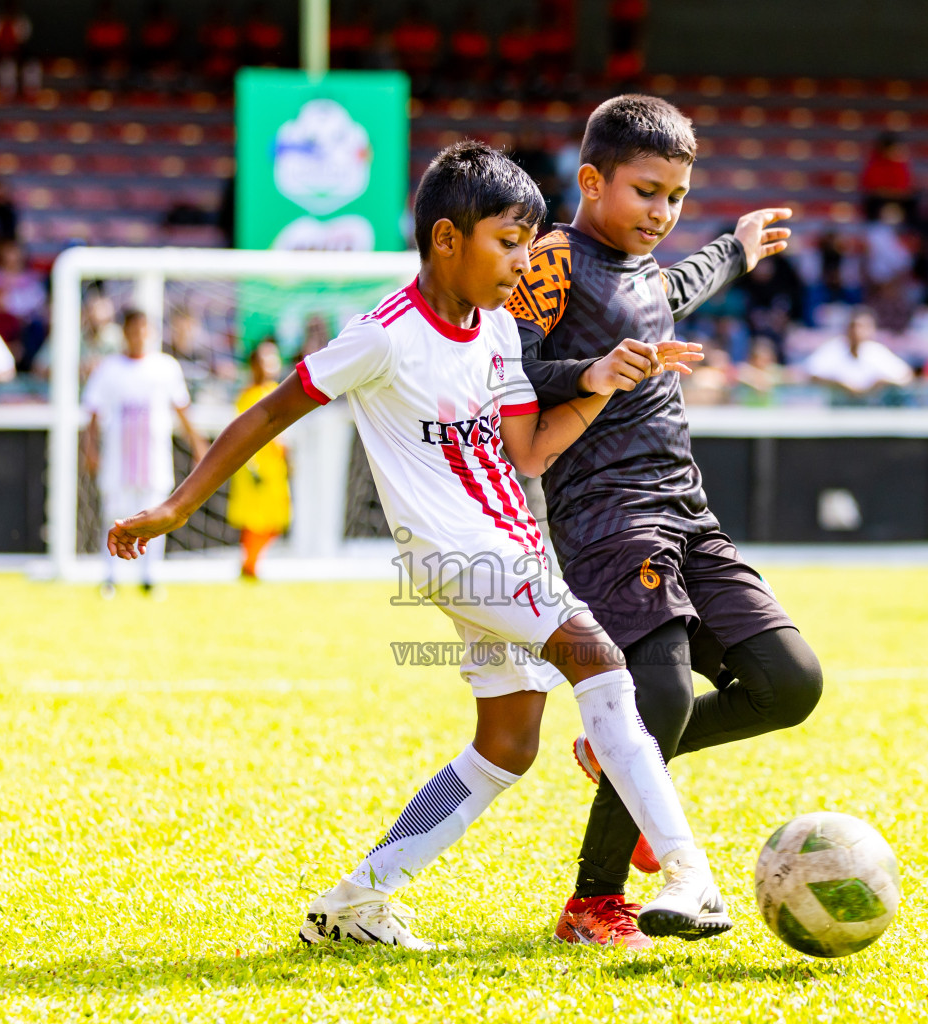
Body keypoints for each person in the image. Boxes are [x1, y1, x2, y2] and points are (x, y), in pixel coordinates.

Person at [107, 141, 731, 950]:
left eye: (529, 243)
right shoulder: (384, 334)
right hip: (458, 556)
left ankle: (357, 901)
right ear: (446, 239)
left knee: (506, 747)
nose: (522, 262)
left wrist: (598, 377)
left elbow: (523, 448)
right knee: (605, 668)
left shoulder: (503, 333)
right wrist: (177, 504)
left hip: (510, 549)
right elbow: (268, 413)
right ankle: (688, 872)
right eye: (507, 243)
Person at [506, 96, 823, 949]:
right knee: (665, 691)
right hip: (603, 512)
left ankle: (622, 754)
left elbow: (674, 287)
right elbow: (510, 374)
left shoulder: (645, 264)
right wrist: (594, 370)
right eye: (647, 192)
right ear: (591, 180)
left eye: (677, 197)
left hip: (688, 506)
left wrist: (738, 248)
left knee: (789, 683)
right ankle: (593, 904)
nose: (662, 213)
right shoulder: (549, 262)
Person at [82, 309, 205, 596]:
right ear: (124, 332)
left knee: (157, 514)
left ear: (150, 332)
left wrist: (198, 444)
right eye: (133, 329)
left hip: (154, 459)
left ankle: (150, 576)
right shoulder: (108, 368)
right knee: (113, 515)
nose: (138, 335)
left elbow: (182, 409)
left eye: (143, 329)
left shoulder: (166, 367)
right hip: (118, 460)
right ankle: (110, 576)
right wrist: (89, 448)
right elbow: (93, 413)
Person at [226, 343, 291, 579]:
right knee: (255, 522)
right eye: (265, 360)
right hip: (255, 470)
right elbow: (241, 434)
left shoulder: (277, 389)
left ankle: (251, 563)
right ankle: (250, 565)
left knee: (276, 521)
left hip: (275, 468)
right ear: (254, 365)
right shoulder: (247, 396)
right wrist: (252, 467)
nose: (270, 366)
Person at [802, 307, 913, 395]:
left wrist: (880, 383)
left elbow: (906, 376)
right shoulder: (834, 348)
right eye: (854, 326)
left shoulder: (877, 351)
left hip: (872, 412)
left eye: (863, 327)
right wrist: (840, 384)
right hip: (836, 414)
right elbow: (811, 374)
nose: (857, 331)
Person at [0, 0, 40, 97]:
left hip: (17, 55)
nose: (10, 10)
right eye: (8, 7)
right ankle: (7, 96)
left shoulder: (22, 21)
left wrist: (17, 56)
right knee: (7, 67)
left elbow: (23, 43)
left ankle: (31, 95)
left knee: (32, 66)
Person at [860, 132, 913, 222]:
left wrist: (894, 193)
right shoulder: (874, 163)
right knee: (872, 202)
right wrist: (888, 192)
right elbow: (871, 188)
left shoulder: (900, 164)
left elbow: (905, 189)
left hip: (897, 199)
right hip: (879, 200)